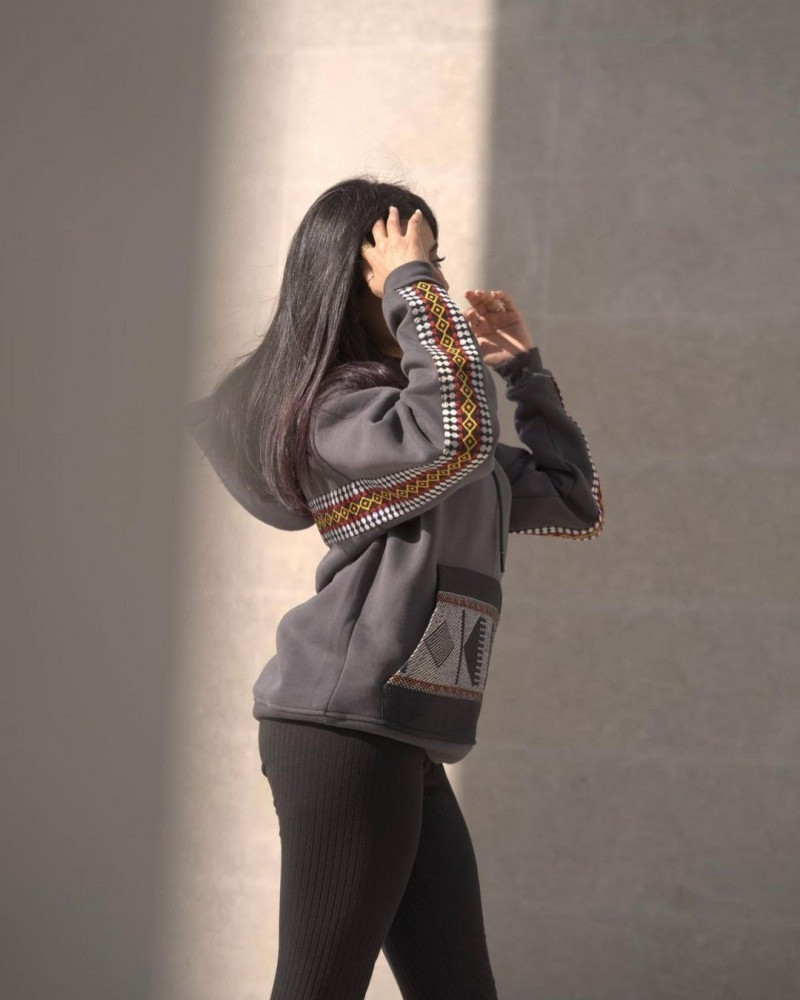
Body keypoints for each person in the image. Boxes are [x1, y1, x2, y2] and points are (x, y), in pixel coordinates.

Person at [184, 177, 605, 999]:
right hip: (341, 725)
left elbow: (573, 499)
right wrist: (415, 291)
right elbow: (450, 441)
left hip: (400, 727)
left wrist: (524, 372)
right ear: (359, 281)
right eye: (413, 262)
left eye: (434, 263)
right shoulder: (336, 414)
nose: (434, 280)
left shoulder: (417, 422)